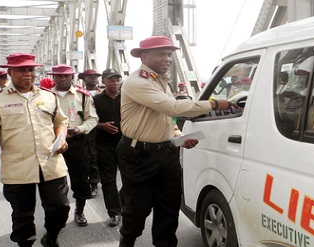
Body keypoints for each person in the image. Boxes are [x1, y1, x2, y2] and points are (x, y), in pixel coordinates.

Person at [118, 36, 232, 247]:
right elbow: (173, 108)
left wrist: (178, 135)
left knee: (169, 208)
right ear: (144, 56)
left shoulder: (160, 81)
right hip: (138, 155)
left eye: (169, 54)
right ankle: (127, 240)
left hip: (166, 152)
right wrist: (215, 104)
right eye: (161, 54)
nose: (168, 59)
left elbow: (166, 118)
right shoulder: (137, 82)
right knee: (137, 210)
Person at [0, 53, 70, 247]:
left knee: (60, 209)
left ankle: (51, 237)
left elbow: (61, 121)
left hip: (51, 164)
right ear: (9, 72)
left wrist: (61, 138)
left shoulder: (49, 97)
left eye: (30, 70)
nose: (27, 74)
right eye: (21, 70)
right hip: (17, 169)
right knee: (22, 215)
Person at [49, 64, 98, 227]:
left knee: (80, 179)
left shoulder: (82, 96)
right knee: (54, 180)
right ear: (53, 77)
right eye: (59, 76)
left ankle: (79, 211)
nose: (63, 79)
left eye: (66, 76)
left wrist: (80, 129)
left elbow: (92, 118)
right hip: (52, 143)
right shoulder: (45, 96)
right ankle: (58, 214)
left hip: (76, 142)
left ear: (72, 77)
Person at [93, 69, 123, 227]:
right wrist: (101, 126)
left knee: (131, 178)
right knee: (108, 181)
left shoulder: (127, 99)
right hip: (104, 146)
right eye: (111, 80)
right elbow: (87, 121)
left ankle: (122, 202)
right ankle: (114, 212)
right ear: (103, 81)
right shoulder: (96, 100)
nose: (115, 83)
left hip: (126, 145)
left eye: (118, 79)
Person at [78, 69, 102, 198]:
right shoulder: (79, 95)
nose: (93, 79)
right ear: (84, 79)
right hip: (87, 131)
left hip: (103, 131)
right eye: (90, 77)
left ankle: (97, 181)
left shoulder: (103, 93)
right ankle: (92, 183)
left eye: (95, 76)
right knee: (90, 157)